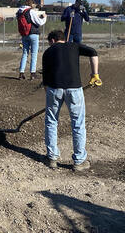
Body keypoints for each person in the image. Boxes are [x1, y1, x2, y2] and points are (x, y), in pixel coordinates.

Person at [41, 29, 101, 172]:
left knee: (51, 121)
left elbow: (45, 80)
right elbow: (93, 52)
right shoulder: (74, 46)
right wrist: (95, 74)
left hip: (54, 89)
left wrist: (50, 96)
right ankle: (79, 161)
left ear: (53, 40)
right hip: (74, 89)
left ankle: (52, 158)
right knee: (78, 123)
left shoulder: (48, 52)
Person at [16, 0, 47, 80]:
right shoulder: (31, 11)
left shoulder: (19, 12)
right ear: (31, 4)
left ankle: (21, 73)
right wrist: (44, 17)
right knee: (34, 54)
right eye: (34, 4)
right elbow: (39, 22)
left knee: (25, 53)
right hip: (33, 34)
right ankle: (32, 73)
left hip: (24, 34)